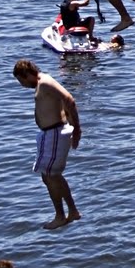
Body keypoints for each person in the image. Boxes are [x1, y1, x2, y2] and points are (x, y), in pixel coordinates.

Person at [13, 59, 83, 227]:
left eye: (21, 81)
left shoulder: (45, 82)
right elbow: (63, 103)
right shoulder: (42, 84)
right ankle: (72, 211)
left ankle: (61, 215)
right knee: (49, 176)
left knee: (51, 175)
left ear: (27, 74)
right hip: (50, 134)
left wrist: (77, 130)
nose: (22, 85)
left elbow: (69, 100)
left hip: (55, 133)